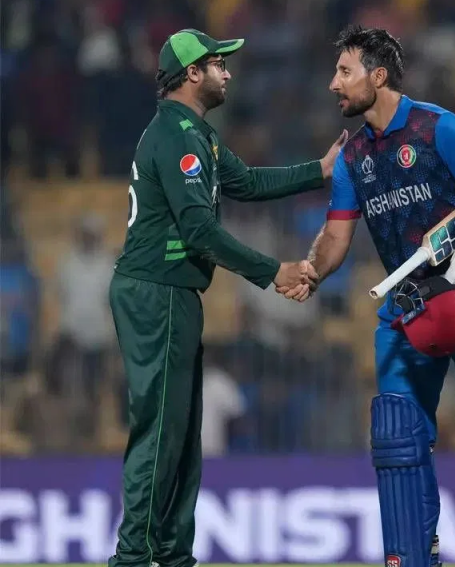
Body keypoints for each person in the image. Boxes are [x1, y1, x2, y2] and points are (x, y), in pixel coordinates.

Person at [288, 25, 455, 567]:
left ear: (378, 76)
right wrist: (310, 272)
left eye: (344, 72)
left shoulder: (438, 127)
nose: (333, 83)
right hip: (408, 304)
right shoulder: (354, 157)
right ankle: (410, 558)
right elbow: (336, 236)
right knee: (397, 437)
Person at [107, 28, 344, 567]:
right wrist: (272, 271)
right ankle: (133, 557)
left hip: (173, 292)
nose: (228, 72)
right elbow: (198, 231)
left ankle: (173, 555)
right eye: (218, 64)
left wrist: (320, 170)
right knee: (162, 431)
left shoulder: (196, 134)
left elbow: (249, 182)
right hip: (157, 291)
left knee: (182, 433)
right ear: (192, 73)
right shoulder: (177, 136)